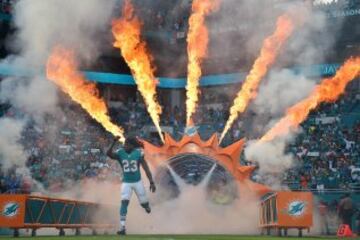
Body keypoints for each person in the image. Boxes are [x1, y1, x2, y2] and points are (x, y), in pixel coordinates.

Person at [107, 136, 156, 235]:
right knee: (124, 202)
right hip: (126, 182)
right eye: (124, 144)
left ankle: (146, 206)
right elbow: (109, 154)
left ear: (132, 146)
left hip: (138, 182)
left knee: (143, 203)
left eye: (127, 144)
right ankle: (122, 227)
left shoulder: (138, 153)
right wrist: (113, 142)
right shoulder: (121, 152)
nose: (124, 146)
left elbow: (146, 169)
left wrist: (151, 181)